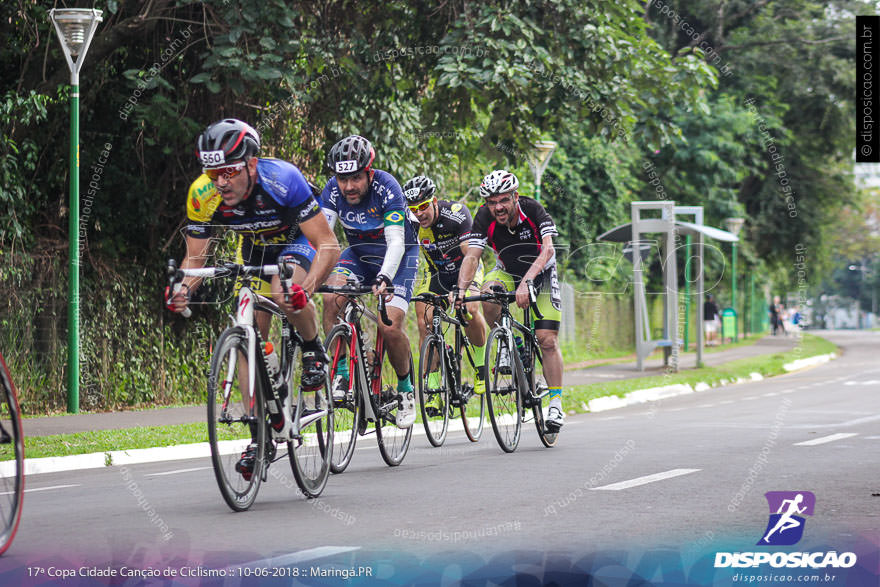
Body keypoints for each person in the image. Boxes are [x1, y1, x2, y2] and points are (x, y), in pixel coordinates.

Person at [166, 118, 341, 479]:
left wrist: (305, 289)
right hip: (256, 247)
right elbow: (196, 259)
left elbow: (328, 244)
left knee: (283, 288)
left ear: (251, 163)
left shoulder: (283, 180)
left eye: (229, 172)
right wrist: (182, 289)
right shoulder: (203, 193)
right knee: (248, 333)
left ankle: (312, 350)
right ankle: (259, 435)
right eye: (214, 173)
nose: (221, 182)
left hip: (296, 239)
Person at [319, 135, 420, 429]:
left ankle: (405, 389)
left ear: (369, 172)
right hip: (360, 254)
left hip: (398, 257)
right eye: (342, 179)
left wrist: (385, 276)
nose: (348, 186)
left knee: (389, 326)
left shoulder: (387, 187)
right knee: (330, 299)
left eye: (355, 178)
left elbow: (396, 241)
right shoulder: (332, 192)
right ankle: (341, 370)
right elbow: (322, 237)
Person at [456, 170, 565, 431]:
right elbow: (472, 256)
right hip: (507, 270)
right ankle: (509, 342)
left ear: (515, 197)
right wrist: (461, 290)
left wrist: (528, 281)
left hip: (541, 273)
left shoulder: (533, 209)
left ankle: (556, 404)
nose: (498, 207)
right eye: (492, 202)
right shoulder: (483, 217)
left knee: (547, 339)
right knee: (487, 293)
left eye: (503, 200)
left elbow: (548, 248)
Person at [403, 175, 489, 411]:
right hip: (437, 274)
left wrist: (461, 289)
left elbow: (469, 255)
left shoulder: (456, 214)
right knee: (425, 320)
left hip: (466, 268)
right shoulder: (409, 223)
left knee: (469, 307)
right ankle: (432, 387)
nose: (419, 214)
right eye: (413, 209)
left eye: (422, 207)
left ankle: (481, 366)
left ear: (434, 201)